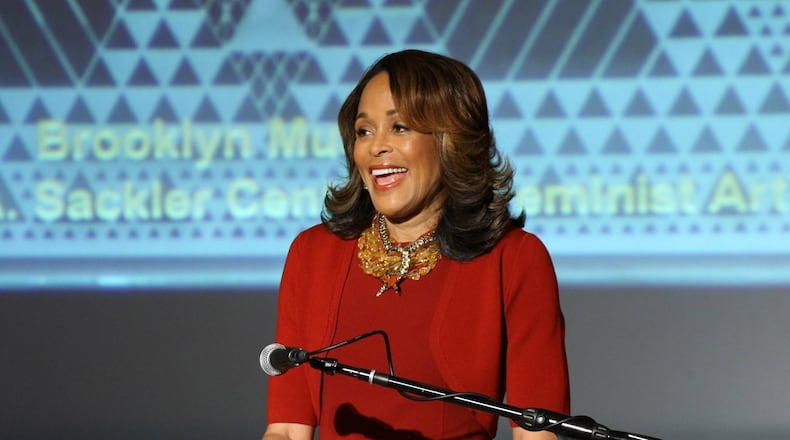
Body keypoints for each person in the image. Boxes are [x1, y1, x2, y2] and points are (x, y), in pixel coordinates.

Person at [263, 49, 569, 440]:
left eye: (400, 127)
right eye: (364, 131)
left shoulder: (514, 259)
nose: (376, 147)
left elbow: (536, 434)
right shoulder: (313, 254)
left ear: (450, 139)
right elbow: (287, 429)